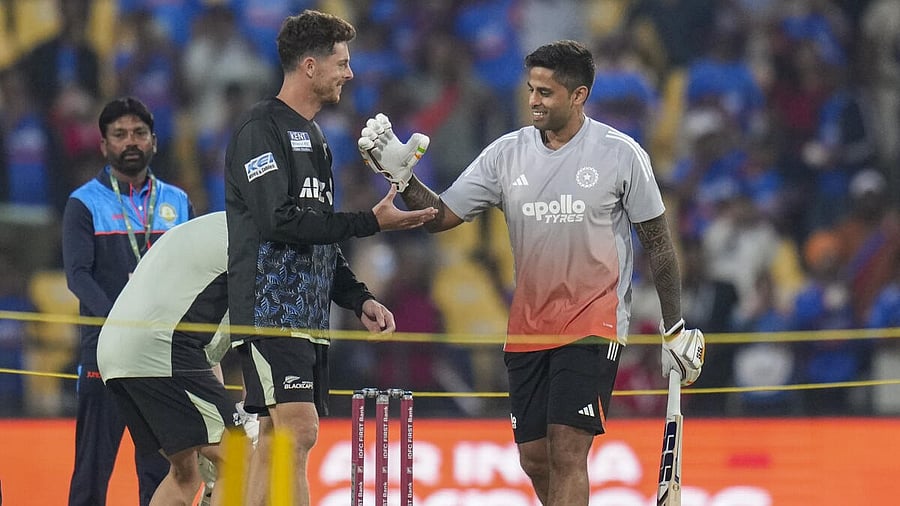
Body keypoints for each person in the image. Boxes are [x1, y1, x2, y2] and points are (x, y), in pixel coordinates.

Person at [358, 40, 705, 505]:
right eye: (531, 89)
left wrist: (674, 326)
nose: (533, 101)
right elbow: (442, 218)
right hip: (526, 329)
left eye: (546, 92)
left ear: (578, 95)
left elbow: (659, 244)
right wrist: (404, 180)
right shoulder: (506, 153)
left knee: (567, 452)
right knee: (535, 459)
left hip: (592, 324)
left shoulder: (622, 154)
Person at [223, 10, 437, 506]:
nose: (351, 73)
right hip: (269, 311)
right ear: (311, 66)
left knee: (277, 439)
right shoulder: (260, 128)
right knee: (298, 431)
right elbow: (279, 220)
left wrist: (357, 297)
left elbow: (318, 232)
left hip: (308, 316)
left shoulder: (317, 138)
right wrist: (371, 222)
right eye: (342, 62)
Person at [62, 96, 192, 506]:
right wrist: (123, 320)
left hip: (160, 353)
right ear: (104, 145)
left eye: (139, 133)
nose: (130, 142)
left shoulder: (177, 201)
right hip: (105, 351)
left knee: (159, 469)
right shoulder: (84, 202)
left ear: (154, 140)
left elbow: (189, 270)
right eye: (119, 135)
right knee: (92, 468)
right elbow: (78, 276)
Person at [96, 211, 243, 505]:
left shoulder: (207, 230)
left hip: (114, 351)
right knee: (238, 457)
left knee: (185, 472)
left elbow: (205, 358)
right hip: (161, 349)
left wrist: (221, 412)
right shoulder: (256, 241)